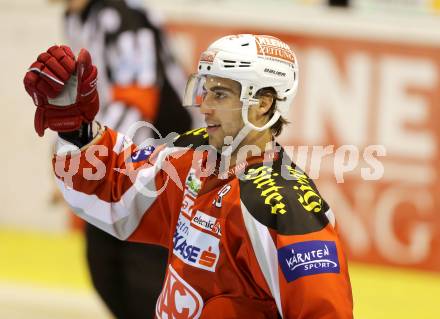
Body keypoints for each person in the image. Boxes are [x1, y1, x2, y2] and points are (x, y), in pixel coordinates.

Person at [24, 34, 353, 318]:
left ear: (263, 103)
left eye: (220, 94)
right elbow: (117, 187)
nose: (205, 106)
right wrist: (77, 129)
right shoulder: (195, 155)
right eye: (205, 90)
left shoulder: (282, 206)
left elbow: (325, 312)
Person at [51, 0, 192, 318]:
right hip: (119, 156)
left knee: (141, 277)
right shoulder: (79, 17)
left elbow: (138, 97)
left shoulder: (121, 16)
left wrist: (87, 157)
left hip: (157, 161)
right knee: (105, 270)